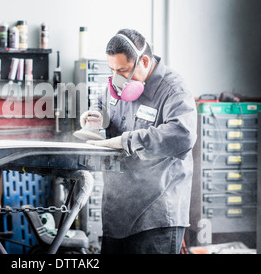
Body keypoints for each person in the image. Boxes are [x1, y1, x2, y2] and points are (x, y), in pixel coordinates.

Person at [84, 29, 197, 254]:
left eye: (123, 70)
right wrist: (95, 114)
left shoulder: (172, 89)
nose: (117, 77)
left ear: (144, 61)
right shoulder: (119, 84)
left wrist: (128, 141)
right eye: (112, 70)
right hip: (118, 212)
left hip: (156, 217)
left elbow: (183, 134)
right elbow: (102, 102)